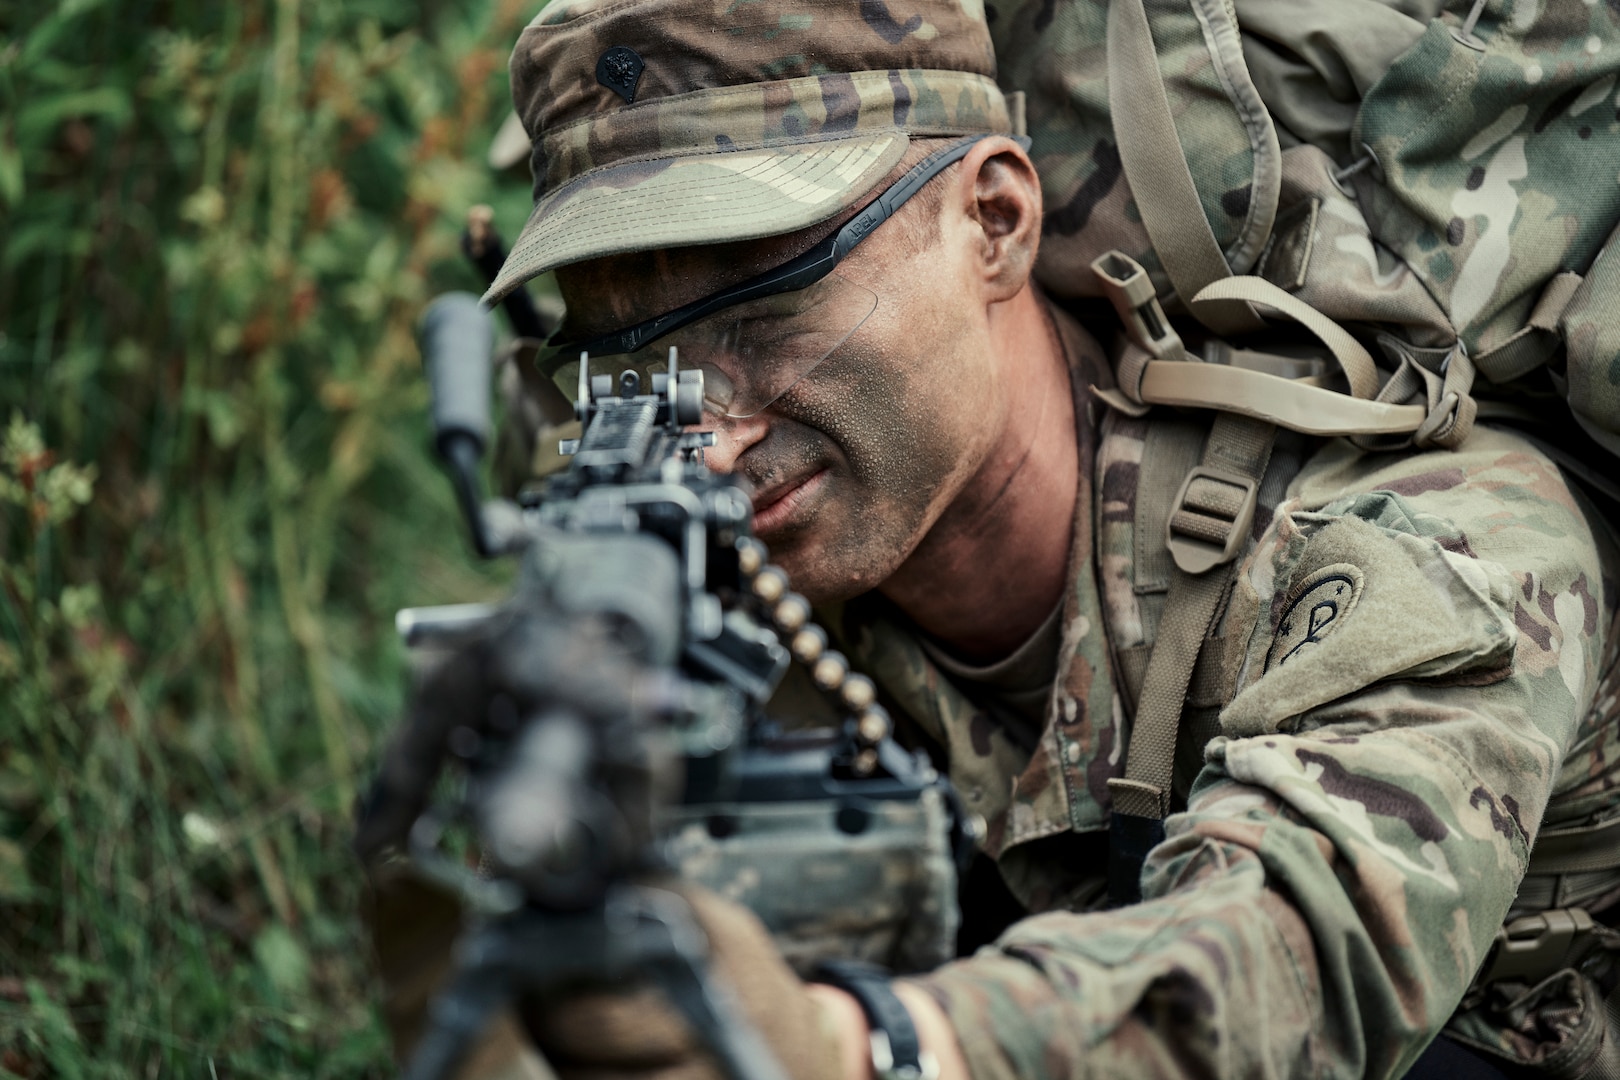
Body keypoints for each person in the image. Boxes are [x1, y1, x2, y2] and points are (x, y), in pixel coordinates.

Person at [370, 0, 1620, 1077]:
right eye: (632, 360)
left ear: (996, 220)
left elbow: (1299, 955)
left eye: (757, 301)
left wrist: (859, 1051)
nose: (704, 437)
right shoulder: (739, 559)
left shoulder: (1426, 543)